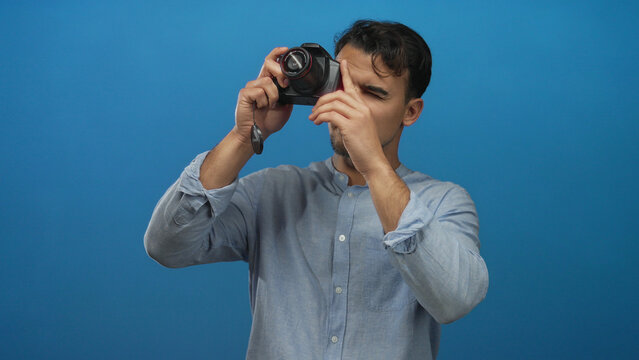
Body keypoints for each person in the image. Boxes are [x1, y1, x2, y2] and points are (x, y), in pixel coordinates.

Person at [144, 20, 489, 360]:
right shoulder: (273, 191)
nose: (350, 104)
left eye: (371, 93)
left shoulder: (443, 202)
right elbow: (166, 246)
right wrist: (243, 137)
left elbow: (453, 300)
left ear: (410, 112)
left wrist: (373, 165)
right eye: (342, 84)